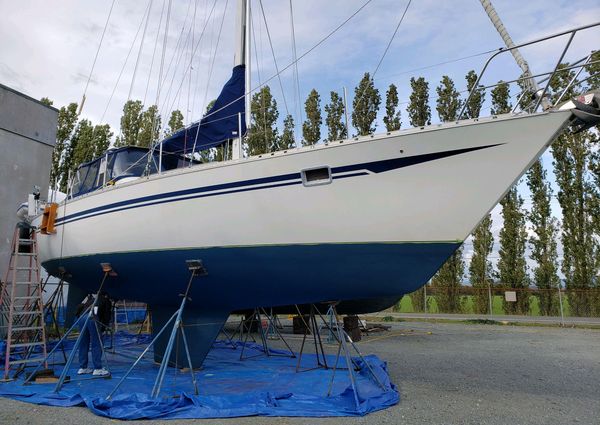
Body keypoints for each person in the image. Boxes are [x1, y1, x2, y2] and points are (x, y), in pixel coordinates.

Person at [75, 292, 112, 377]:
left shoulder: (90, 299)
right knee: (97, 342)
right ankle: (98, 368)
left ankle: (83, 368)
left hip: (82, 318)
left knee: (83, 343)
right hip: (92, 318)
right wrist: (103, 328)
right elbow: (107, 316)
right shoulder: (106, 300)